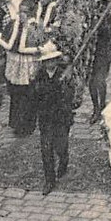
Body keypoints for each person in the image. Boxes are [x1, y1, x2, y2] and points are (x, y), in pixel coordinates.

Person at [0, 1, 42, 138]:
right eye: (20, 11)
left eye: (25, 12)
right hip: (14, 62)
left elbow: (41, 45)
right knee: (15, 94)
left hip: (28, 64)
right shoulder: (12, 24)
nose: (22, 15)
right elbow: (4, 40)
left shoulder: (35, 27)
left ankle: (27, 125)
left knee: (27, 95)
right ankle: (16, 123)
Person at [35, 44, 74, 196]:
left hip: (61, 117)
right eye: (47, 61)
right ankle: (49, 179)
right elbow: (35, 95)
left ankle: (64, 160)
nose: (50, 63)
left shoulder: (63, 75)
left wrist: (64, 85)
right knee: (46, 148)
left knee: (61, 146)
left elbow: (70, 96)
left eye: (52, 60)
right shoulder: (39, 76)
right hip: (46, 117)